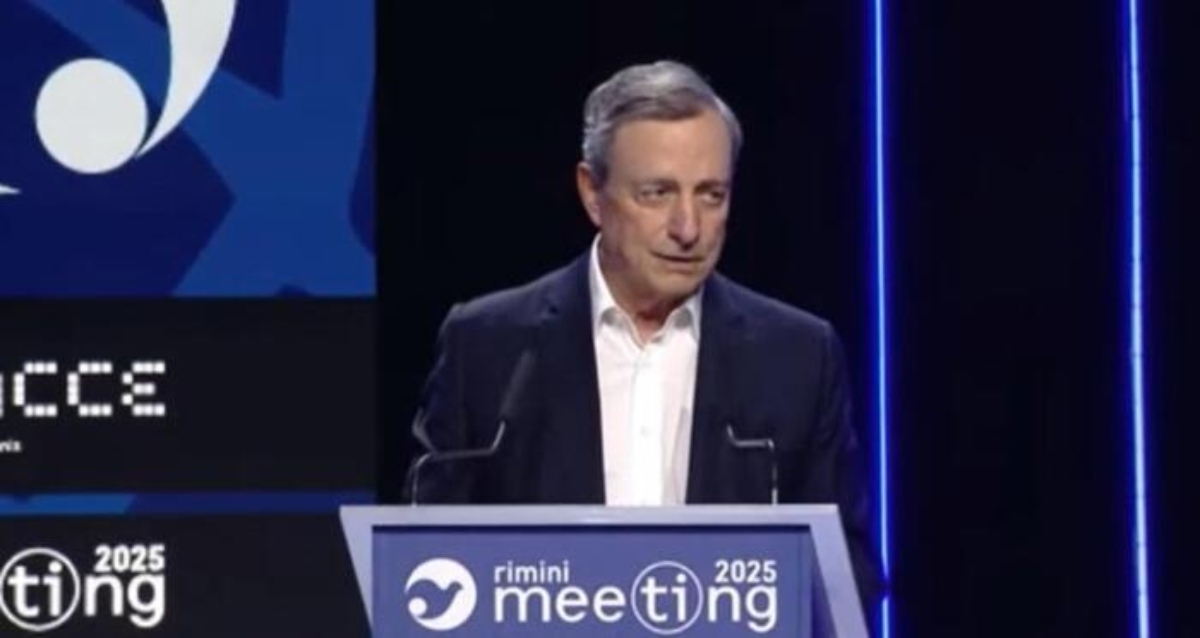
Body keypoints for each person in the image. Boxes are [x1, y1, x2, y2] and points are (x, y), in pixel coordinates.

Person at [408, 59, 883, 609]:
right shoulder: (489, 346)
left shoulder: (798, 357)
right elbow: (422, 562)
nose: (688, 228)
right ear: (592, 193)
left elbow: (849, 575)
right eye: (657, 193)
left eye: (711, 195)